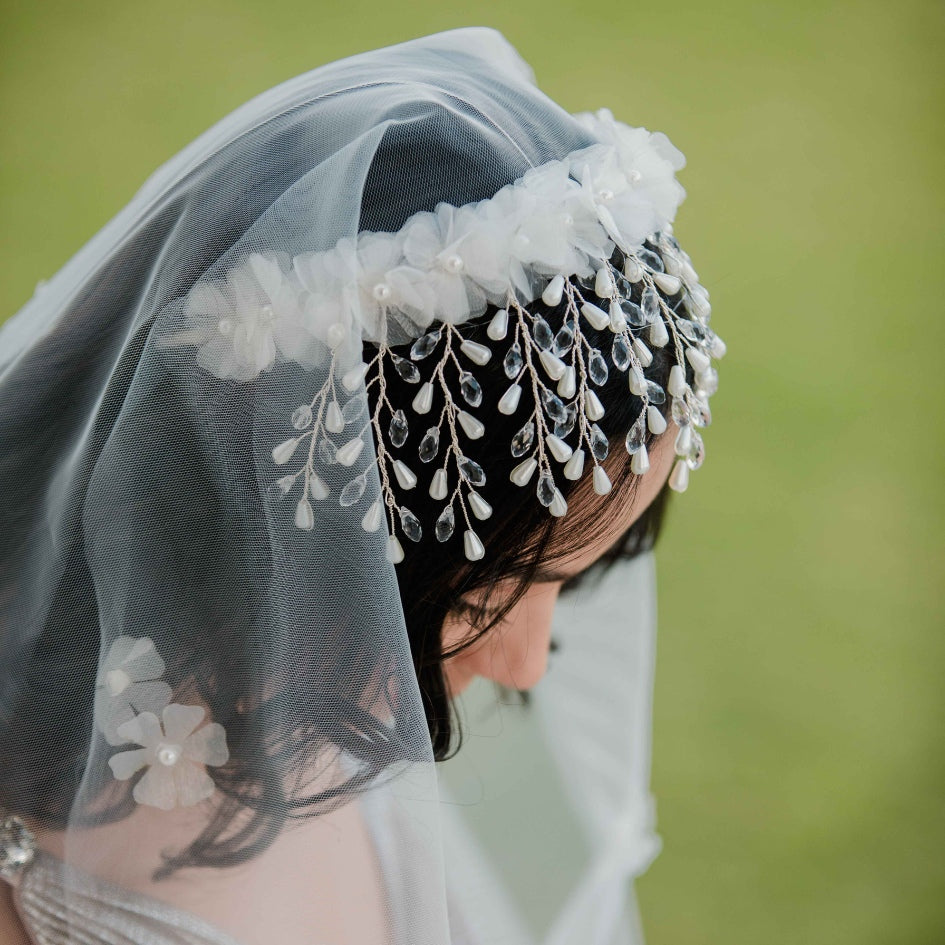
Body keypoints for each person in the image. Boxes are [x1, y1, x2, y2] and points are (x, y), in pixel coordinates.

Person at [0, 26, 723, 945]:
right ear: (276, 519)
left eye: (564, 583)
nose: (527, 662)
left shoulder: (370, 713)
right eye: (483, 590)